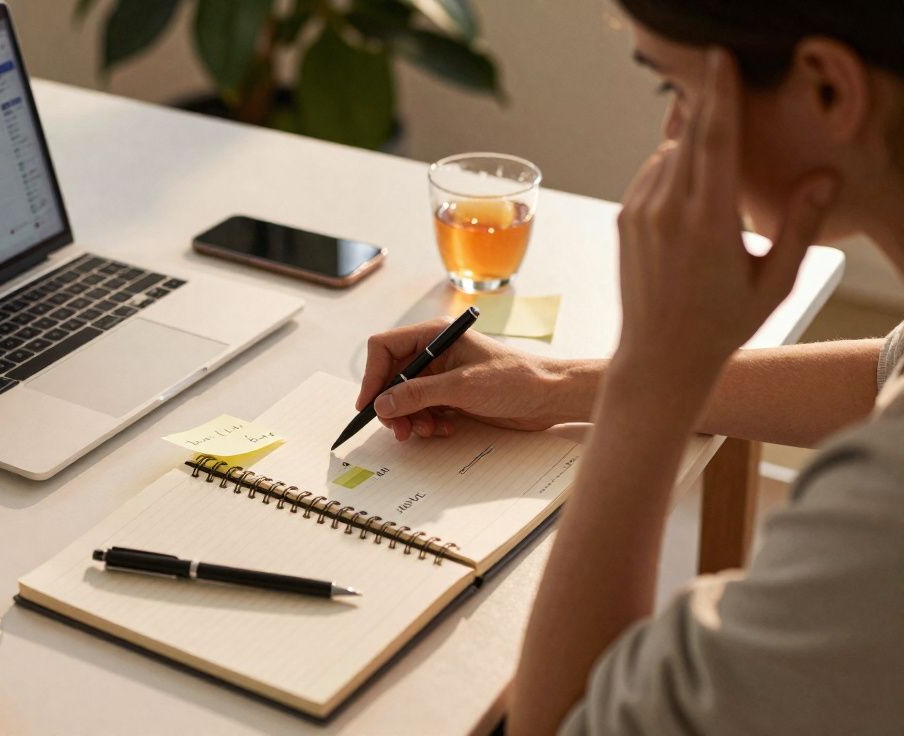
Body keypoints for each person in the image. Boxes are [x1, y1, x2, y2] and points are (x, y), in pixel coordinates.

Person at [357, 2, 904, 732]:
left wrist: (653, 377)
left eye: (674, 88)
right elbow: (885, 378)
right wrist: (558, 384)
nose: (671, 136)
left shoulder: (877, 529)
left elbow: (558, 724)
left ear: (828, 89)